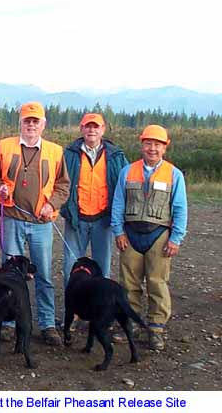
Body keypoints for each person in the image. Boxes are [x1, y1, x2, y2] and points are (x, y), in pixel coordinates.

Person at [0, 102, 70, 346]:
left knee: (43, 274)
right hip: (12, 219)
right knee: (9, 274)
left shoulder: (56, 151)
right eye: (27, 121)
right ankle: (9, 322)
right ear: (20, 123)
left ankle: (47, 324)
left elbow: (63, 185)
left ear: (44, 124)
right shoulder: (4, 146)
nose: (31, 125)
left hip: (41, 223)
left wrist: (51, 204)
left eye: (36, 121)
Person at [111, 124, 187, 351]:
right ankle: (130, 326)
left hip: (159, 237)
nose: (152, 148)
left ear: (165, 147)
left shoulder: (174, 174)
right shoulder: (127, 171)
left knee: (157, 283)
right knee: (129, 285)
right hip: (130, 236)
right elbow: (118, 204)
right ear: (142, 144)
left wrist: (176, 238)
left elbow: (180, 208)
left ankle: (156, 329)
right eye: (148, 143)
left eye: (157, 144)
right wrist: (118, 231)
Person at [61, 113, 129, 285]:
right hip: (76, 220)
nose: (92, 130)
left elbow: (128, 184)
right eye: (88, 126)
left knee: (102, 271)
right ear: (81, 128)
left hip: (103, 220)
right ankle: (74, 309)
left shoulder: (116, 155)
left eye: (96, 126)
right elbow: (56, 182)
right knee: (71, 270)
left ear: (103, 129)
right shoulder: (68, 154)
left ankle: (98, 309)